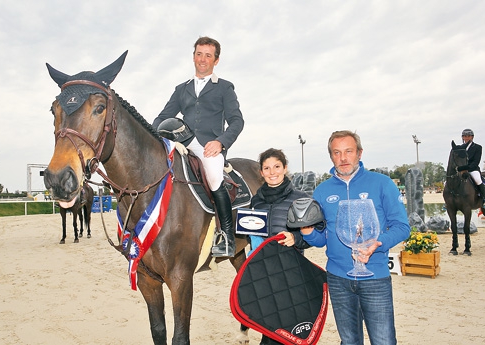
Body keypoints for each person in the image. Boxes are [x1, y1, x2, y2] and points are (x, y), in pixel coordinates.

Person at [300, 130, 410, 345]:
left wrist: (379, 244)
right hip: (338, 278)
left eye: (348, 151)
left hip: (375, 277)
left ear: (359, 153)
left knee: (384, 341)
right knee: (349, 342)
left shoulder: (382, 183)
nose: (343, 158)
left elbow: (402, 227)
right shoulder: (322, 191)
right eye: (337, 152)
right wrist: (307, 232)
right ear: (331, 156)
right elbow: (322, 239)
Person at [152, 36, 244, 257]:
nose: (203, 59)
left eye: (208, 55)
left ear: (216, 60)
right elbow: (163, 117)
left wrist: (220, 142)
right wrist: (157, 135)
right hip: (183, 143)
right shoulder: (181, 89)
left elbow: (237, 121)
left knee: (213, 177)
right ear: (193, 56)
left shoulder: (224, 87)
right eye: (199, 54)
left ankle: (226, 236)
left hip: (209, 147)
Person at [247, 148, 311, 345]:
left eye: (276, 166)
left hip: (291, 270)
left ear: (285, 168)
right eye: (267, 168)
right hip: (265, 271)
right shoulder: (256, 201)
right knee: (269, 326)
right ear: (261, 172)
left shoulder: (301, 198)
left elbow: (316, 235)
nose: (272, 172)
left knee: (287, 328)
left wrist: (296, 238)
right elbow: (254, 234)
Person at [457, 129, 485, 206]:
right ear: (462, 137)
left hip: (472, 169)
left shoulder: (477, 147)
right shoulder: (459, 148)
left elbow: (476, 162)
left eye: (468, 136)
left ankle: (484, 198)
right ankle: (447, 202)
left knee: (477, 179)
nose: (466, 138)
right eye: (465, 136)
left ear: (472, 137)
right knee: (447, 182)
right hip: (461, 170)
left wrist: (466, 168)